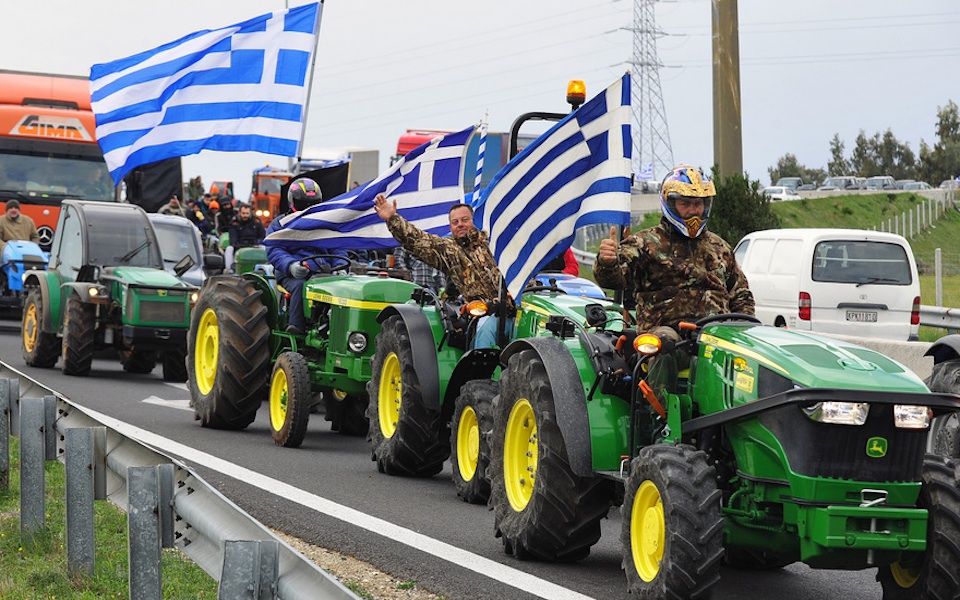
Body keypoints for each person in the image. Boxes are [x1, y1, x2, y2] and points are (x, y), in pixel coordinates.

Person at [594, 164, 754, 332]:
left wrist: (740, 329)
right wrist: (607, 262)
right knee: (667, 340)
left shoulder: (720, 248)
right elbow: (613, 280)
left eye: (698, 204)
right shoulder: (643, 243)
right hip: (664, 336)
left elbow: (741, 295)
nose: (694, 211)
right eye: (685, 204)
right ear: (669, 203)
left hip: (715, 334)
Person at [373, 193, 511, 348]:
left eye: (465, 220)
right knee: (486, 329)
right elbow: (418, 241)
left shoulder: (493, 241)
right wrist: (393, 219)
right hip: (485, 314)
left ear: (474, 220)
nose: (460, 224)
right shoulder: (450, 251)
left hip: (517, 309)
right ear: (450, 227)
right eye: (455, 222)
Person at [267, 178, 348, 335]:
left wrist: (341, 266)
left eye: (313, 203)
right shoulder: (280, 224)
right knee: (299, 286)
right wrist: (291, 266)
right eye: (304, 204)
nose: (308, 208)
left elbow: (338, 247)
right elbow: (275, 250)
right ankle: (296, 328)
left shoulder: (325, 224)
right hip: (292, 274)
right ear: (293, 202)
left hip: (325, 273)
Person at [225, 202, 266, 272]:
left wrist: (257, 243)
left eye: (247, 213)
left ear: (250, 213)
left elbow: (263, 237)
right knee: (229, 249)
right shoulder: (234, 223)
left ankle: (266, 267)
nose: (245, 215)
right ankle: (230, 270)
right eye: (243, 213)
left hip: (255, 245)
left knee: (265, 248)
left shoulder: (257, 222)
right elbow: (233, 238)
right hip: (240, 245)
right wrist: (239, 245)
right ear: (239, 213)